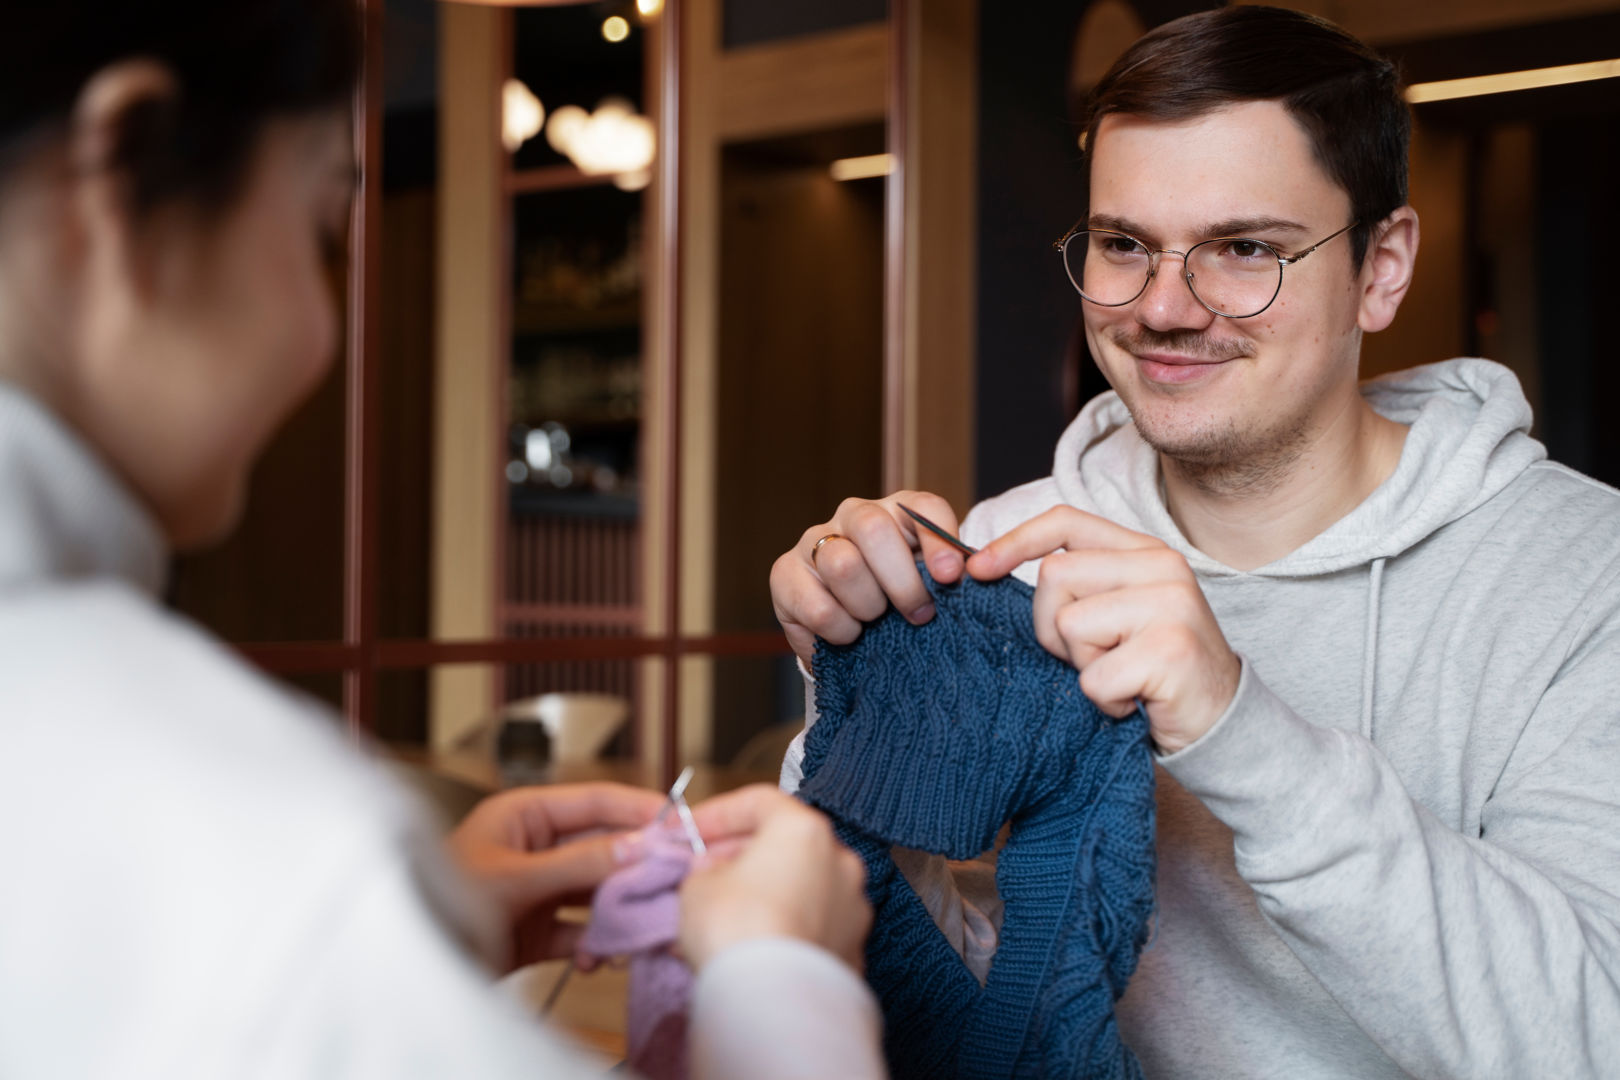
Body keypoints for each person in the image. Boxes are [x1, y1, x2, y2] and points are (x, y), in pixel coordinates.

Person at [0, 4, 882, 1078]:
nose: (320, 334)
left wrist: (420, 942)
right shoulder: (267, 859)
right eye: (325, 227)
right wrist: (781, 984)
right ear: (125, 170)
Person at [771, 7, 1620, 1078]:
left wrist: (1240, 727)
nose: (1164, 307)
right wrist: (859, 717)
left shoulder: (1588, 576)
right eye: (1124, 245)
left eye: (1243, 250)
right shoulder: (1006, 548)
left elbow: (1592, 1041)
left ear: (1382, 266)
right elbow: (996, 1007)